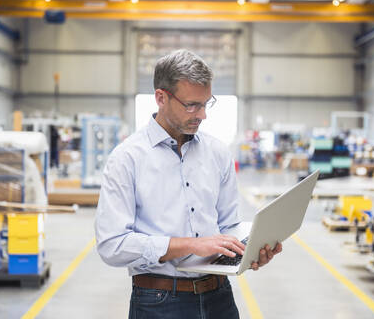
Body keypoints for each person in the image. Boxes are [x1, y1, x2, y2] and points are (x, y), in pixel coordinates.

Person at [95, 49, 282, 319]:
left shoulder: (217, 153)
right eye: (192, 105)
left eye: (207, 104)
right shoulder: (127, 159)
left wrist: (249, 252)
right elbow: (112, 245)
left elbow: (228, 226)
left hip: (219, 297)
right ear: (161, 97)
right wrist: (190, 245)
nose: (202, 115)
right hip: (159, 301)